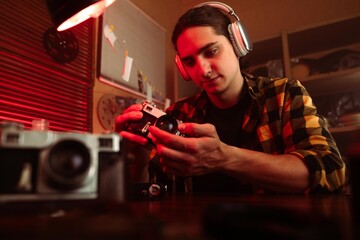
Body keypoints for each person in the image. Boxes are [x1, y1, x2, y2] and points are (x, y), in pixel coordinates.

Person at [115, 2, 346, 194]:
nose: (202, 70)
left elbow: (331, 170)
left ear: (238, 44)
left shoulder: (285, 94)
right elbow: (156, 191)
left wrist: (224, 158)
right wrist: (138, 159)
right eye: (189, 62)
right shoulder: (179, 114)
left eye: (211, 51)